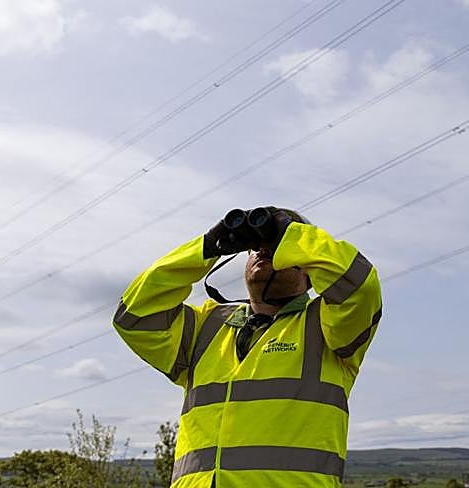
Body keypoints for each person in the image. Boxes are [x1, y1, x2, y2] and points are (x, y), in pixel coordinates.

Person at [113, 206, 381, 487]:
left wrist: (293, 235)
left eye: (275, 247)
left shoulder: (327, 326)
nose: (262, 251)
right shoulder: (206, 326)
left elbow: (360, 287)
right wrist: (205, 248)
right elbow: (134, 316)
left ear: (308, 269)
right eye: (255, 247)